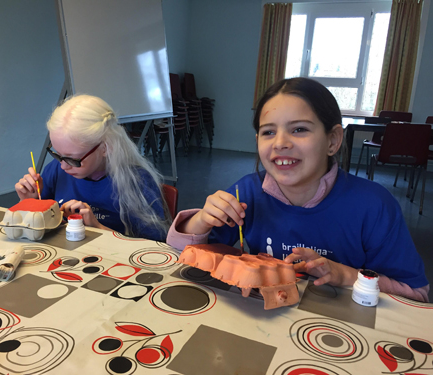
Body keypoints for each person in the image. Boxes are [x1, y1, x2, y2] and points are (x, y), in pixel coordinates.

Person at [167, 77, 429, 302]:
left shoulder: (374, 206)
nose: (280, 143)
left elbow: (416, 294)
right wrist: (201, 220)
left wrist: (346, 275)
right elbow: (186, 257)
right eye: (268, 132)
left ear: (333, 140)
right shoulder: (247, 193)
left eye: (299, 129)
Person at [15, 95, 170, 242]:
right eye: (57, 154)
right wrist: (30, 202)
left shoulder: (136, 182)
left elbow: (153, 249)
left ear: (105, 147)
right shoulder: (56, 170)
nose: (63, 165)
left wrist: (97, 228)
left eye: (72, 158)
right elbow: (35, 230)